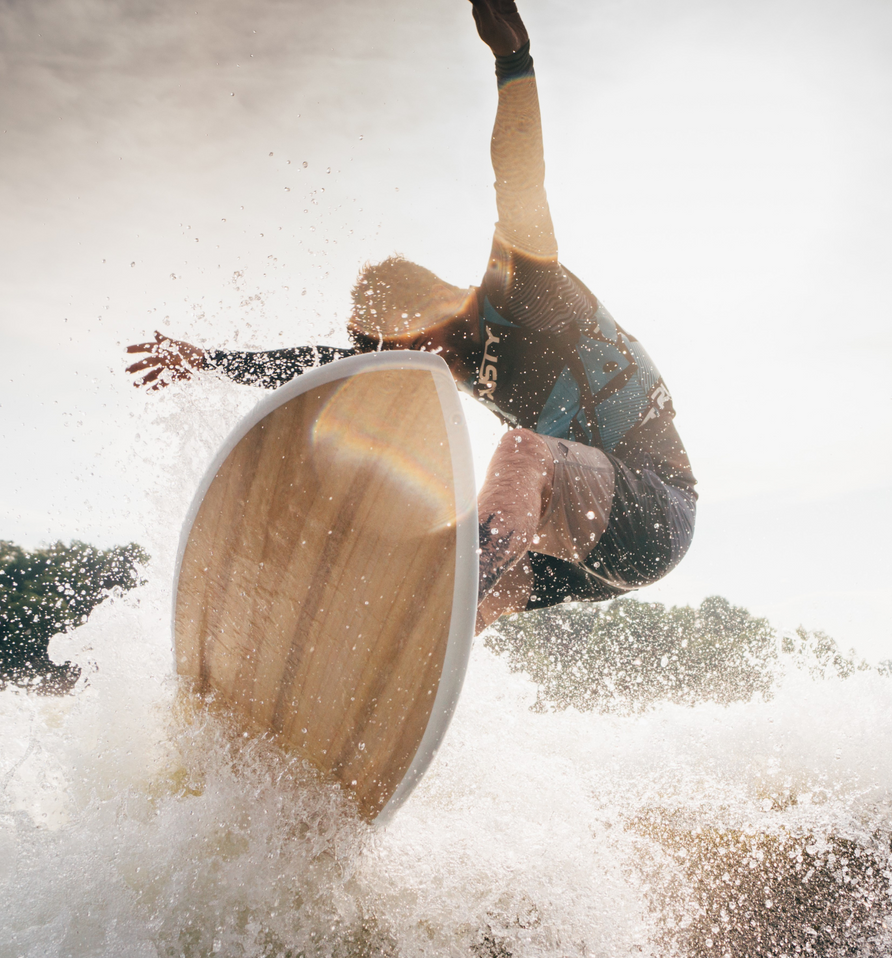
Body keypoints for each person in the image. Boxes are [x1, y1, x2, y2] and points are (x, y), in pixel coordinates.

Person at [126, 0, 696, 634]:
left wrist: (514, 62)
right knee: (446, 613)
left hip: (654, 508)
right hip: (582, 552)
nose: (415, 366)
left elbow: (520, 182)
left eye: (404, 345)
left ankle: (451, 590)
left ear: (429, 310)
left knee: (520, 453)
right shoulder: (445, 352)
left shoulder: (520, 290)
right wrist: (209, 361)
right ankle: (373, 684)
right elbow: (325, 366)